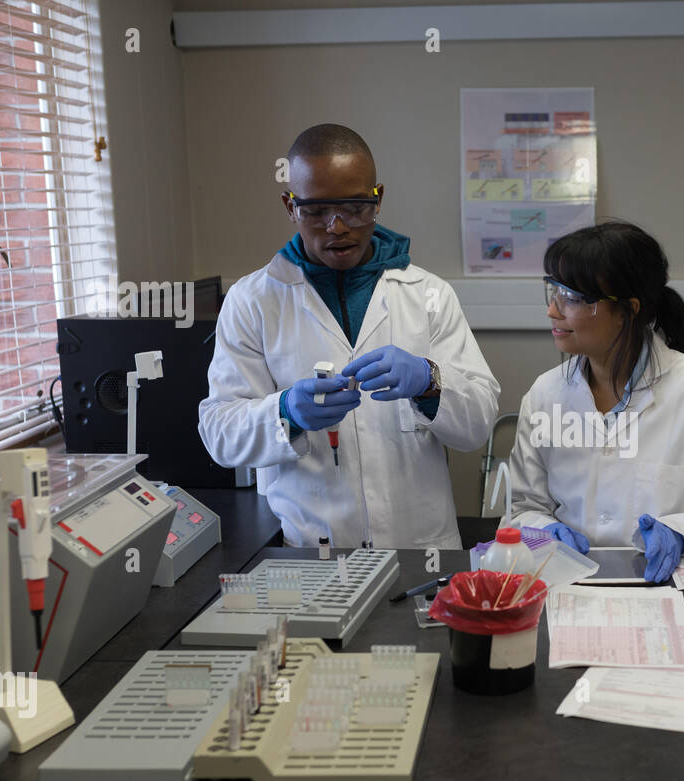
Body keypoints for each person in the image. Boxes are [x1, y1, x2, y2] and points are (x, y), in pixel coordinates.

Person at [199, 124, 499, 550]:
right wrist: (285, 411)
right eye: (316, 211)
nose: (337, 227)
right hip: (312, 547)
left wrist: (430, 382)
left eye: (355, 208)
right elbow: (219, 434)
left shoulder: (428, 294)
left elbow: (479, 423)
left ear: (378, 199)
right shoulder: (253, 301)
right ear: (290, 206)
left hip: (421, 548)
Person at [504, 221, 684, 583]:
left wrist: (683, 535)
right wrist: (542, 532)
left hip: (666, 587)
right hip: (566, 583)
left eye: (571, 298)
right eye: (552, 291)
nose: (553, 311)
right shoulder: (544, 395)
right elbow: (523, 508)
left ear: (627, 310)